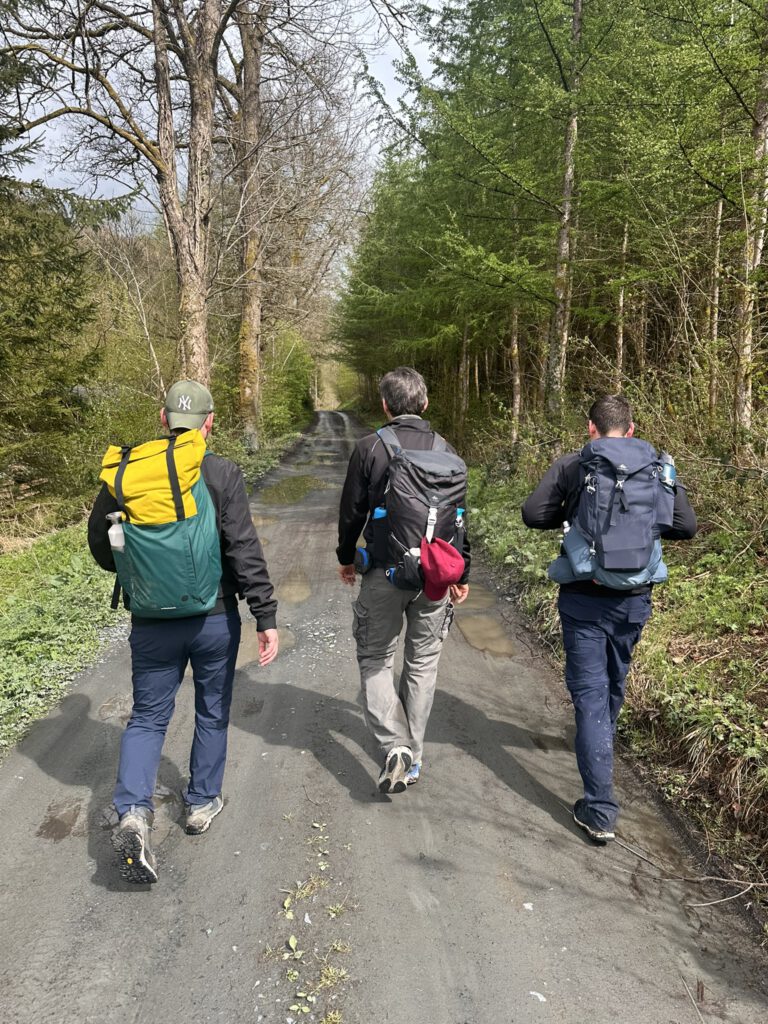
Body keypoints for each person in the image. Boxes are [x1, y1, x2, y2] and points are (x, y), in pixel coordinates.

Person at [88, 380, 278, 883]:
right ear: (209, 422)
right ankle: (200, 802)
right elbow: (242, 547)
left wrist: (143, 571)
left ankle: (133, 811)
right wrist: (265, 615)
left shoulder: (128, 474)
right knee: (212, 710)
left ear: (163, 418)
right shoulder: (220, 472)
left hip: (152, 620)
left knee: (149, 717)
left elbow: (102, 547)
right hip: (215, 617)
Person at [521, 394, 696, 842]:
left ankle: (599, 810)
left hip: (584, 598)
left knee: (590, 698)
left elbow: (533, 514)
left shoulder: (574, 465)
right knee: (612, 685)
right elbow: (685, 526)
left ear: (591, 428)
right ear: (631, 429)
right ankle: (599, 746)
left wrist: (573, 518)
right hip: (634, 600)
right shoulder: (657, 466)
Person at [337, 367, 471, 793]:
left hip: (384, 572)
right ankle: (412, 758)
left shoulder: (370, 448)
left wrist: (346, 558)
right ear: (425, 403)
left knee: (375, 657)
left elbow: (351, 512)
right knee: (423, 663)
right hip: (434, 578)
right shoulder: (448, 450)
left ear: (384, 405)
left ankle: (395, 745)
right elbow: (460, 517)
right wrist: (462, 571)